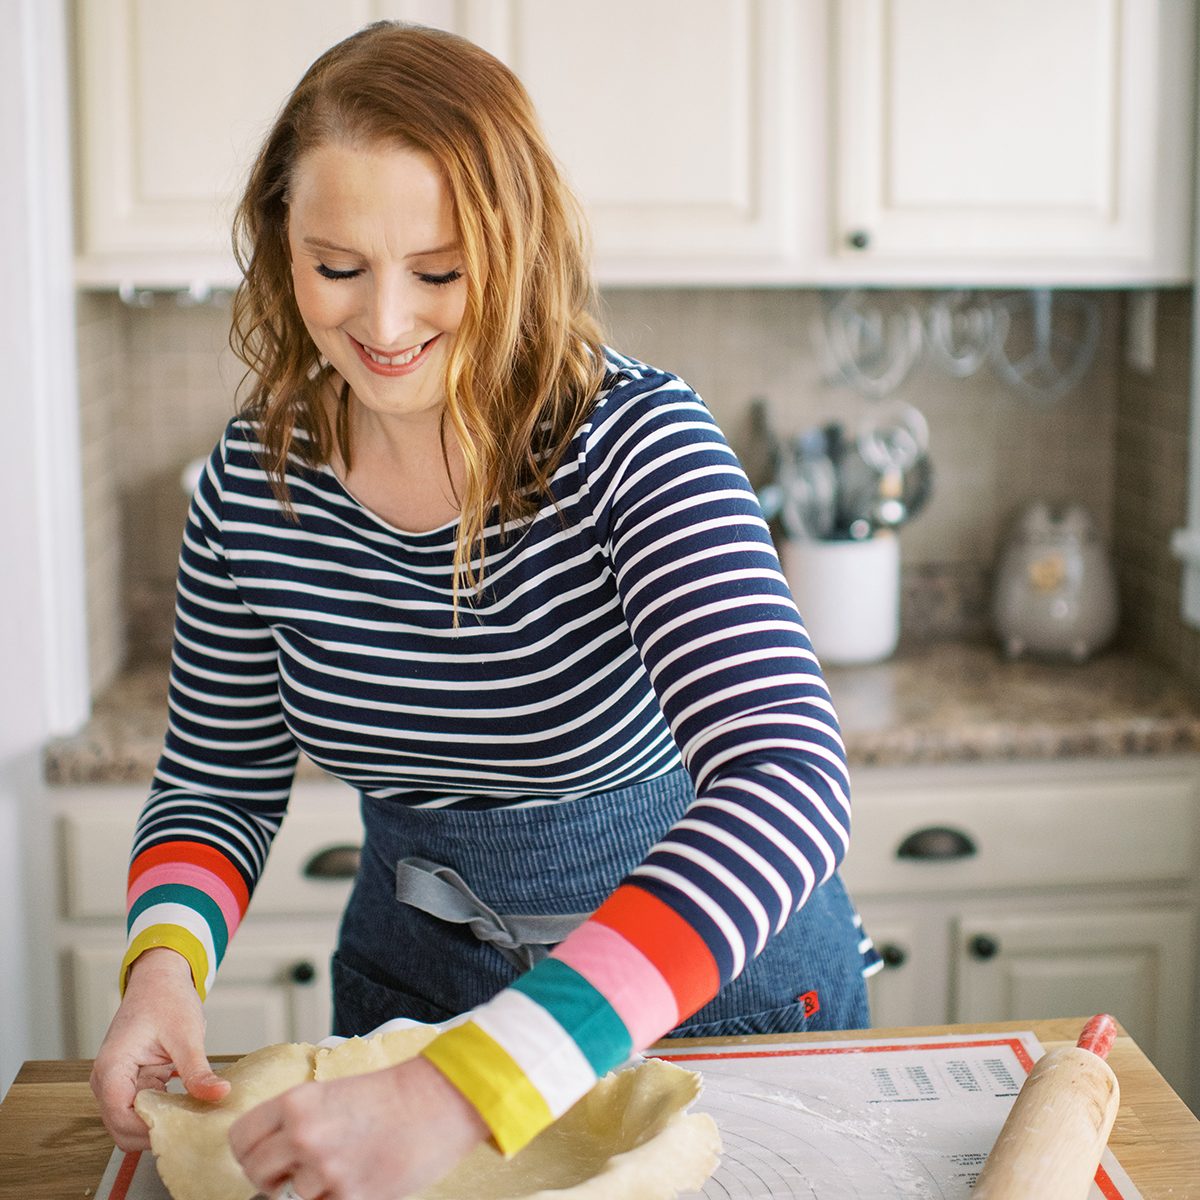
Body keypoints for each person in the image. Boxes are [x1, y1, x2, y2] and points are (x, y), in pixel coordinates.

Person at [90, 20, 881, 1200]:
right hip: (408, 1010)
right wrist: (163, 968)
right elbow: (216, 781)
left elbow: (789, 784)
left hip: (710, 1012)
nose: (387, 324)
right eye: (337, 266)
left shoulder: (636, 447)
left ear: (518, 248)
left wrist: (471, 1082)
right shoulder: (252, 493)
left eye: (441, 271)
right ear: (279, 246)